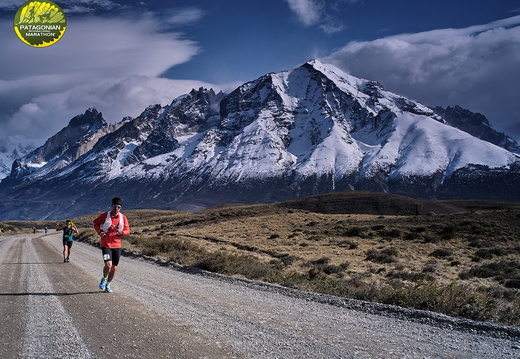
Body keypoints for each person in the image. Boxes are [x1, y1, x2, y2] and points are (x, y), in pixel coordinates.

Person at [93, 197, 130, 293]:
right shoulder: (105, 215)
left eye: (118, 207)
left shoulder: (123, 218)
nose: (116, 209)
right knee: (108, 265)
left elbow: (127, 230)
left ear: (120, 208)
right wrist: (99, 231)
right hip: (106, 245)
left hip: (117, 246)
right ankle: (104, 278)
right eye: (114, 206)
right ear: (112, 206)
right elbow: (96, 223)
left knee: (114, 267)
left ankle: (108, 284)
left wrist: (122, 233)